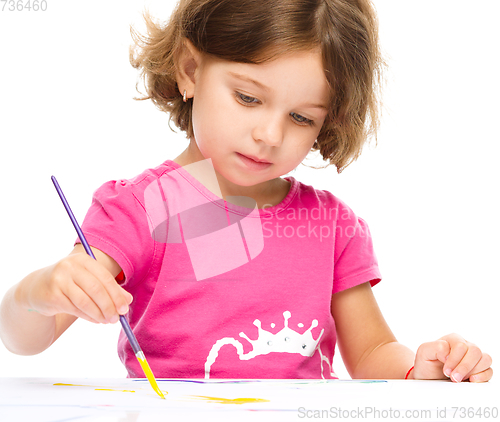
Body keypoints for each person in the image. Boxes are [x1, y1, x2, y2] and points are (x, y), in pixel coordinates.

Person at [0, 0, 492, 382]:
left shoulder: (332, 227)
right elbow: (23, 339)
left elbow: (371, 354)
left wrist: (417, 371)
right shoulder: (138, 210)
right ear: (190, 71)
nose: (270, 135)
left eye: (302, 117)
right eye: (249, 98)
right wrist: (37, 294)